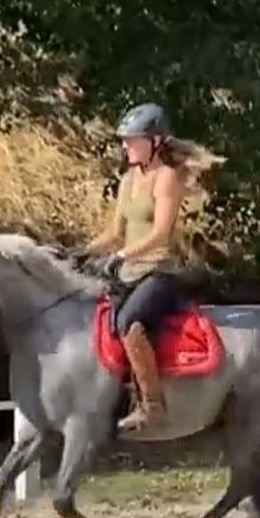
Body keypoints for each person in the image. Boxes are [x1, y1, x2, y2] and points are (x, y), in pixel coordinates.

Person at [77, 102, 200, 434]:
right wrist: (82, 252)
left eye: (132, 140)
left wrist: (121, 256)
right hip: (129, 272)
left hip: (160, 272)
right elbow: (115, 233)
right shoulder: (129, 180)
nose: (125, 146)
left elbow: (160, 233)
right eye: (125, 140)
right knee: (95, 320)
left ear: (156, 141)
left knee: (131, 324)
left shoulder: (168, 178)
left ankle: (153, 408)